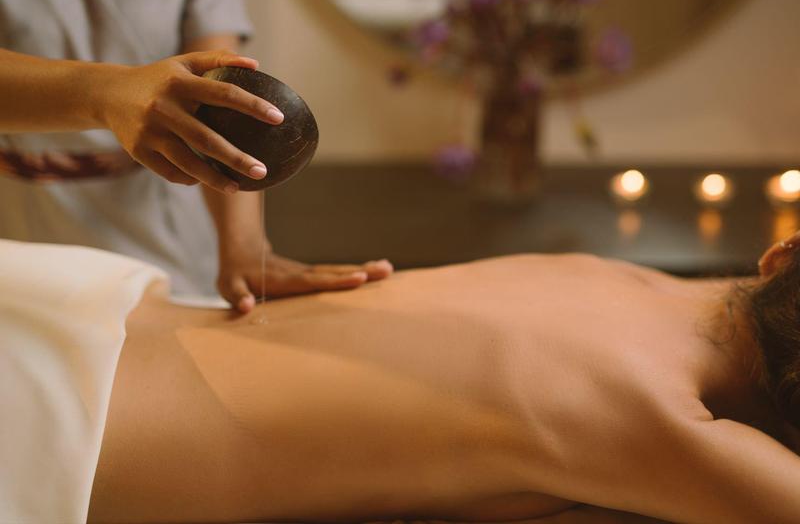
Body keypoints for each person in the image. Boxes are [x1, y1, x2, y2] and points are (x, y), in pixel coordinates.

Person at [85, 234, 800, 524]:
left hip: (87, 301)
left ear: (778, 255)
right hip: (83, 433)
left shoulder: (616, 275)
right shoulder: (658, 419)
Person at [0, 0, 392, 311]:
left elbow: (219, 85)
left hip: (168, 234)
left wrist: (246, 251)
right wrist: (107, 93)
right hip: (19, 238)